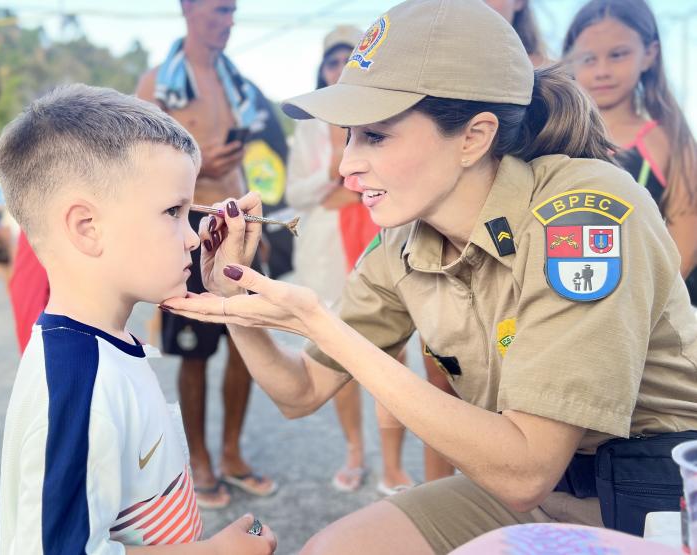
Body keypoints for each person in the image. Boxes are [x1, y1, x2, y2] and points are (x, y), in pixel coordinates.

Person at [160, 0, 697, 553]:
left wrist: (325, 326)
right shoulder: (403, 243)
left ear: (473, 136)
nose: (346, 167)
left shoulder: (581, 214)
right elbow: (300, 394)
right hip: (530, 488)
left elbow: (526, 465)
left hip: (657, 488)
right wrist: (235, 297)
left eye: (375, 136)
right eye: (347, 137)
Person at [0, 84, 276, 555]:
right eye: (173, 212)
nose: (192, 238)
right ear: (87, 228)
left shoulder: (103, 344)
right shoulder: (79, 386)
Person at [134, 0, 275, 508]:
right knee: (193, 350)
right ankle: (200, 459)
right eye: (219, 10)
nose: (229, 21)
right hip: (191, 223)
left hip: (237, 220)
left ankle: (233, 453)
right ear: (189, 9)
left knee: (246, 341)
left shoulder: (235, 81)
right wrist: (197, 162)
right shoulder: (156, 83)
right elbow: (138, 163)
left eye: (233, 11)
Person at [287, 25, 413, 494]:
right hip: (328, 250)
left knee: (392, 353)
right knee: (338, 351)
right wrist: (330, 170)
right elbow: (294, 193)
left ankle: (394, 465)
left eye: (351, 58)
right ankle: (354, 453)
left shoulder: (390, 118)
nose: (339, 68)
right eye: (331, 60)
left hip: (379, 237)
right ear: (322, 70)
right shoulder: (307, 127)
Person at [563, 0, 697, 304]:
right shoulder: (556, 139)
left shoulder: (670, 139)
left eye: (618, 55)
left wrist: (642, 307)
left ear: (649, 54)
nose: (602, 71)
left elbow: (684, 243)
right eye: (587, 59)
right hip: (570, 303)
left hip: (651, 308)